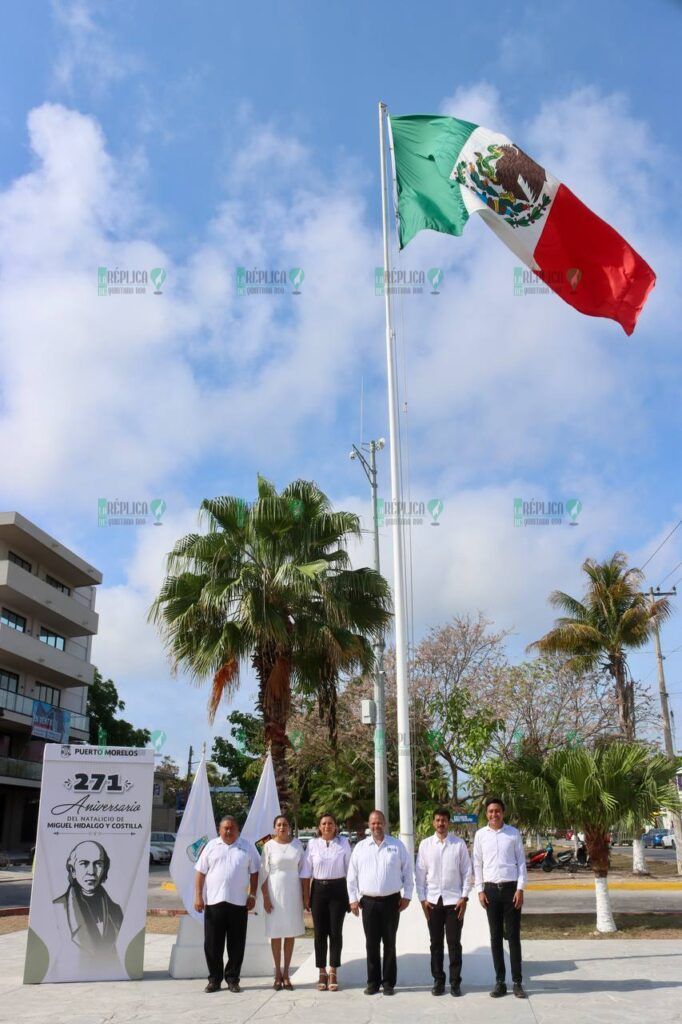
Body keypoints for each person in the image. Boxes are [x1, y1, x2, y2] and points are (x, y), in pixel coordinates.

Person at [347, 809, 414, 996]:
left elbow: (408, 872)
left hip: (392, 902)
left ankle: (389, 983)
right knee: (371, 944)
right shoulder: (360, 847)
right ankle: (373, 982)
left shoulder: (397, 846)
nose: (376, 826)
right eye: (373, 823)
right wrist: (352, 900)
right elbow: (351, 876)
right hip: (368, 903)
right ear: (369, 825)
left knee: (390, 943)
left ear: (385, 824)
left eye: (379, 822)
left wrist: (407, 895)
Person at [194, 814, 260, 993]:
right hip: (214, 902)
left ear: (238, 830)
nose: (229, 831)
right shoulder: (210, 847)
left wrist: (252, 895)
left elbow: (255, 873)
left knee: (236, 944)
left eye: (232, 828)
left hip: (238, 904)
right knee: (212, 944)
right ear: (219, 830)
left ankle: (232, 979)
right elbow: (200, 873)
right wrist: (198, 896)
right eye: (225, 828)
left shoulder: (247, 847)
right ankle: (214, 980)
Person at [473, 796, 528, 999]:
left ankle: (517, 982)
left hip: (510, 890)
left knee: (513, 937)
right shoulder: (480, 835)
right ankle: (499, 982)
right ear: (486, 814)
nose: (494, 814)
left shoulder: (513, 834)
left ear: (503, 813)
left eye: (497, 811)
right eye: (490, 811)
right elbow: (477, 864)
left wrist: (520, 889)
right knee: (495, 937)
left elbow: (521, 863)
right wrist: (480, 890)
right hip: (490, 891)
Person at [415, 808, 472, 997]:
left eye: (444, 820)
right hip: (432, 902)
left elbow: (467, 872)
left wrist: (464, 897)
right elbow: (420, 874)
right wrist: (422, 899)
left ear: (449, 823)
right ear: (433, 823)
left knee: (454, 944)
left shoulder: (458, 844)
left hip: (453, 902)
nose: (441, 824)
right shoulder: (425, 845)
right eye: (438, 820)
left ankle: (455, 983)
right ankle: (438, 981)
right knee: (436, 944)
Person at [260, 814, 311, 990]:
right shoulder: (267, 846)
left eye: (285, 824)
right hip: (274, 895)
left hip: (292, 894)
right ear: (275, 827)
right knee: (275, 934)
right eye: (279, 825)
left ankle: (287, 974)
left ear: (289, 826)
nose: (282, 827)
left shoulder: (297, 844)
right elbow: (263, 874)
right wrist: (265, 897)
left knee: (289, 933)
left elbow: (304, 872)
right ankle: (277, 975)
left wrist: (306, 896)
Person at [305, 812, 352, 992]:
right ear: (319, 827)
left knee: (335, 932)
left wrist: (351, 895)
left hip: (338, 890)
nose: (327, 826)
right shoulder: (312, 844)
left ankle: (333, 970)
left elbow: (350, 870)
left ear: (335, 826)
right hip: (318, 890)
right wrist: (305, 896)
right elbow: (305, 872)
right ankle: (321, 971)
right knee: (319, 933)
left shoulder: (344, 844)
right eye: (324, 823)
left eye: (330, 823)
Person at [53, 841, 123, 961]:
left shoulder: (116, 910)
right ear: (73, 870)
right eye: (84, 863)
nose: (91, 871)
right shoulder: (57, 909)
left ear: (105, 869)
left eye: (98, 864)